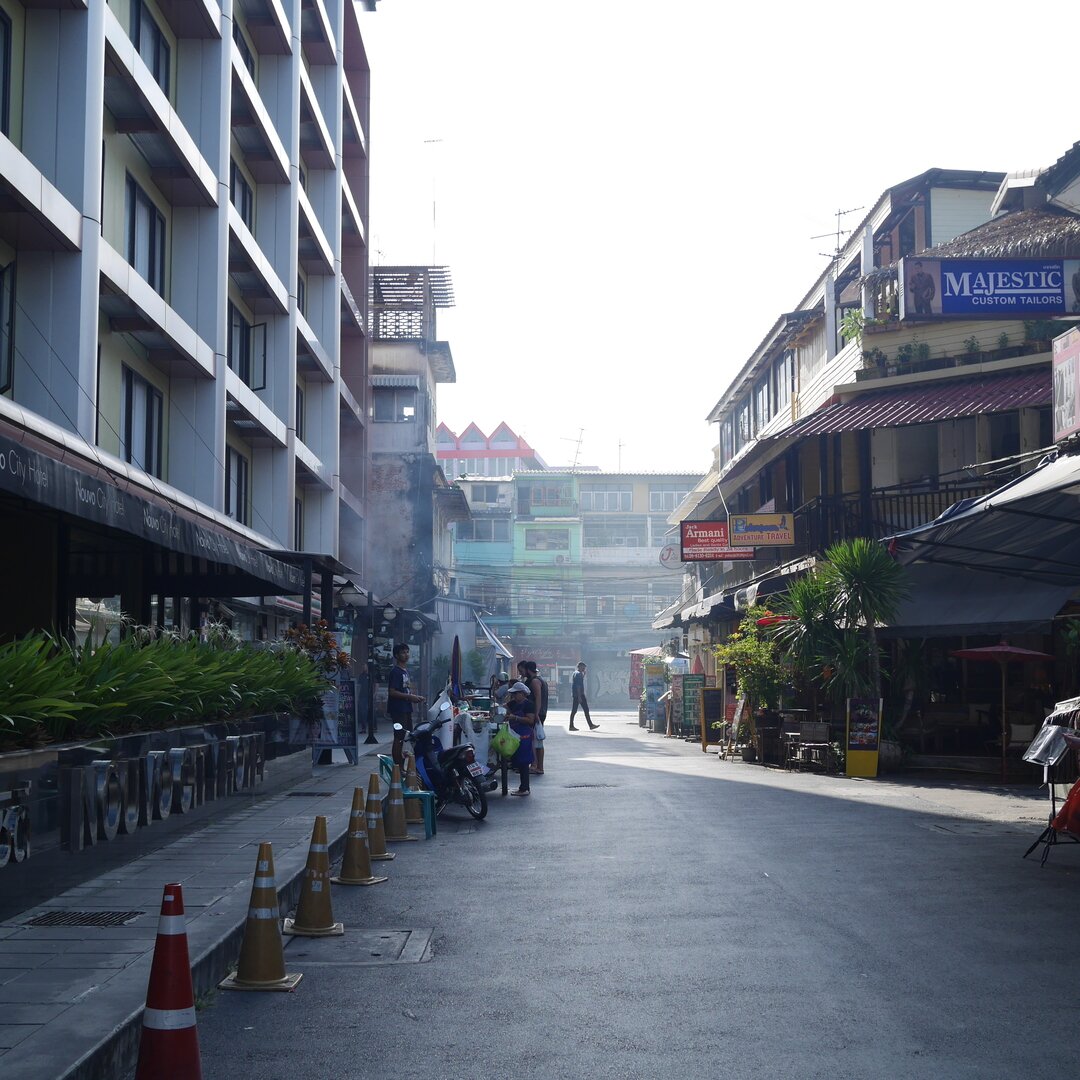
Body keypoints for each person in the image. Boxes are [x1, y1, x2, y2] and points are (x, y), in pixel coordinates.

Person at [505, 681, 536, 796]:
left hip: (525, 736)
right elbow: (505, 708)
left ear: (522, 693)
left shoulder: (529, 705)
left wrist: (515, 718)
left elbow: (530, 720)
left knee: (524, 763)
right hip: (514, 735)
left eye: (516, 693)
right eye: (513, 694)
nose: (514, 696)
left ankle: (524, 788)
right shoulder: (513, 703)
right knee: (519, 762)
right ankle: (522, 787)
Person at [387, 643, 424, 731]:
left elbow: (405, 690)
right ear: (397, 655)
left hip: (406, 707)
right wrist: (410, 697)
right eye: (403, 653)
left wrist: (415, 697)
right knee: (400, 735)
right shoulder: (395, 672)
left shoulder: (405, 671)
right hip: (398, 708)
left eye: (407, 652)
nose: (406, 655)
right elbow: (392, 692)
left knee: (408, 734)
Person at [522, 660, 548, 775]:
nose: (522, 673)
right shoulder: (540, 680)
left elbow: (538, 697)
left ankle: (537, 766)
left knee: (536, 741)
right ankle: (537, 766)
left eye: (523, 670)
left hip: (537, 714)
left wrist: (536, 713)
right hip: (539, 713)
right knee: (536, 740)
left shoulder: (535, 681)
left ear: (528, 670)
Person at [569, 661, 598, 731]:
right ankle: (590, 725)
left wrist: (584, 674)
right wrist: (579, 697)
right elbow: (578, 686)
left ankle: (571, 726)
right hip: (579, 695)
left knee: (574, 711)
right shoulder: (578, 674)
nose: (584, 669)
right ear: (580, 667)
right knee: (585, 710)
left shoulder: (575, 673)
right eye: (583, 667)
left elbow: (578, 682)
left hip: (576, 695)